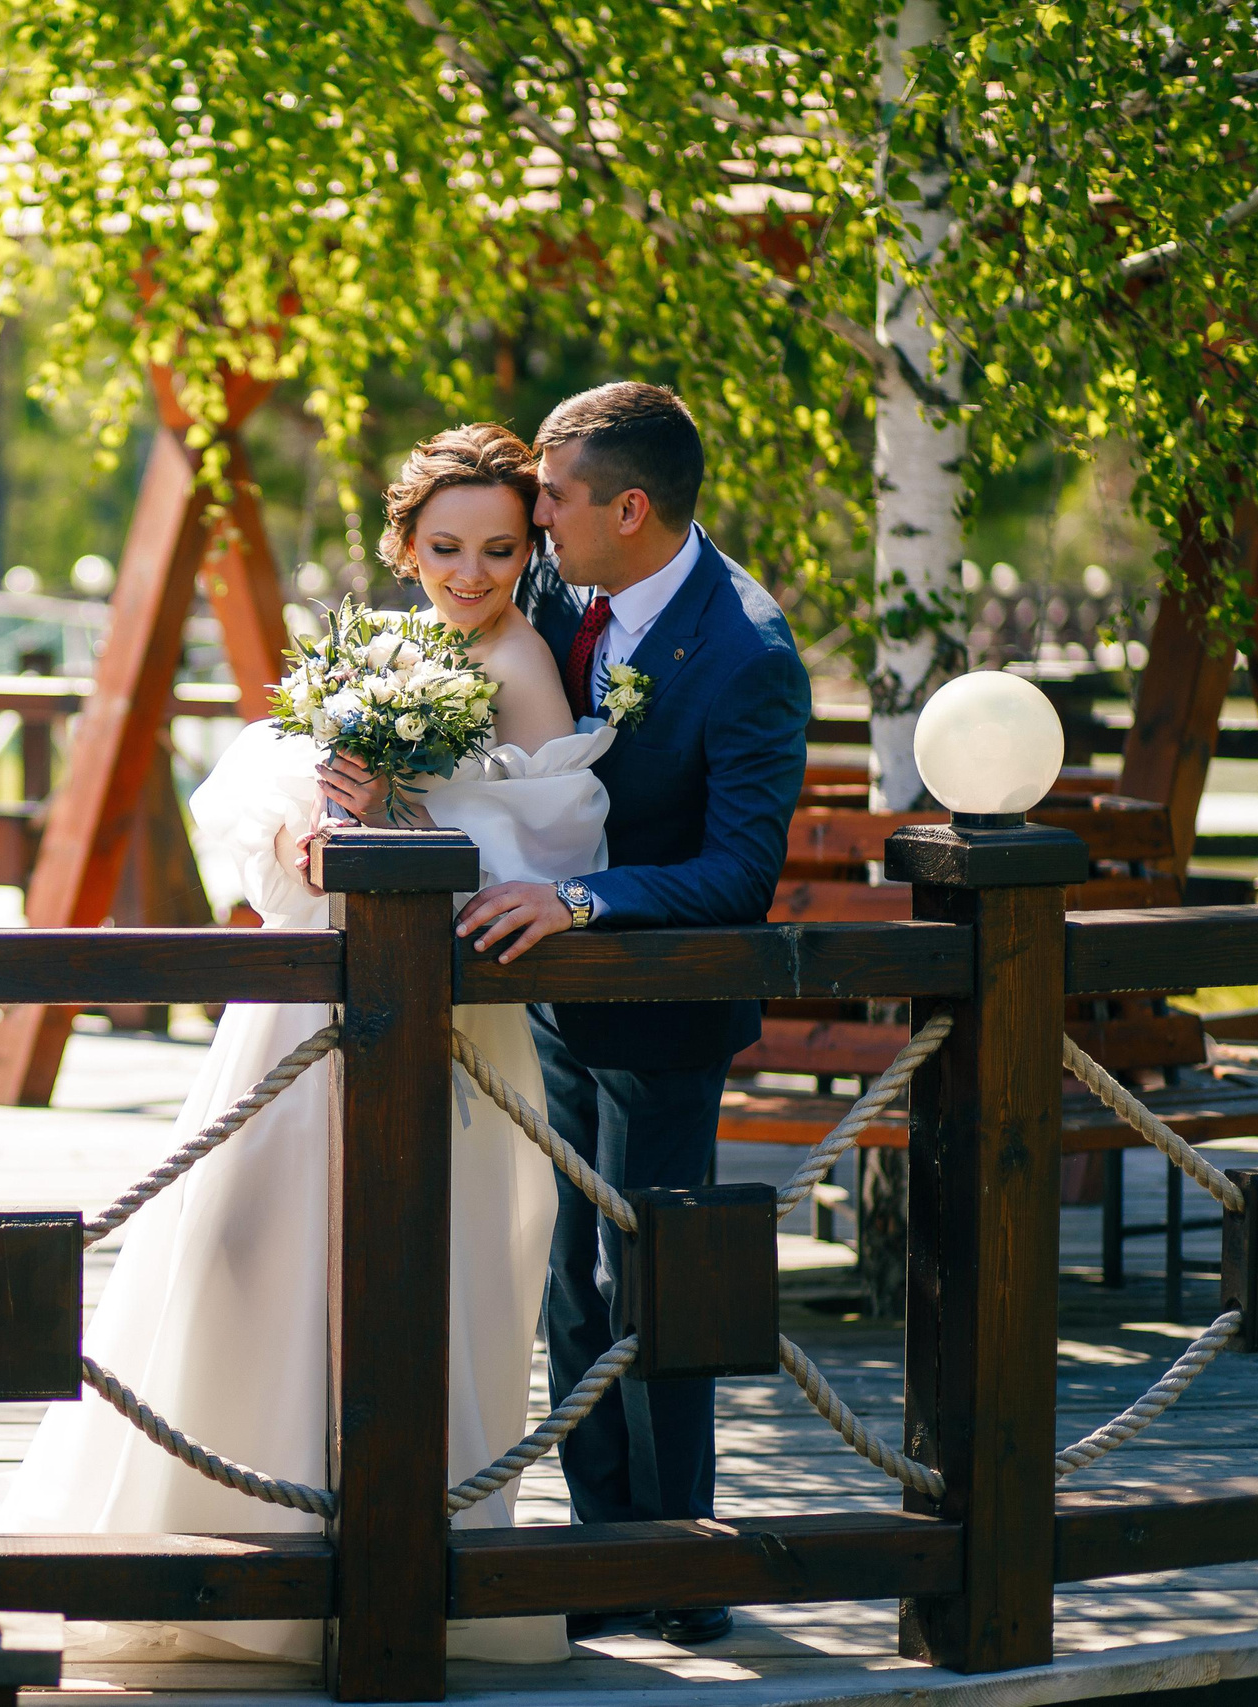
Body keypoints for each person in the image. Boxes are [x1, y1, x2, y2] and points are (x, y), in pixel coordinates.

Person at [0, 425, 611, 1667]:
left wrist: (394, 813)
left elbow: (551, 842)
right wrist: (313, 822)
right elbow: (270, 775)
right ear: (404, 544)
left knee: (413, 1260)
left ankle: (386, 1554)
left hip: (443, 1029)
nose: (468, 573)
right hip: (299, 1008)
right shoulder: (391, 647)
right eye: (445, 546)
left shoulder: (523, 663)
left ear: (529, 553)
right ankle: (223, 1520)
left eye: (498, 550)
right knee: (239, 1237)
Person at [457, 382, 810, 1646]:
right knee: (567, 1276)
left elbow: (736, 874)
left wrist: (579, 897)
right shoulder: (553, 586)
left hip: (664, 1008)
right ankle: (601, 1549)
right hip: (556, 1005)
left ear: (629, 507)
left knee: (652, 1281)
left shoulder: (748, 653)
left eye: (547, 497)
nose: (527, 513)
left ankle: (681, 1566)